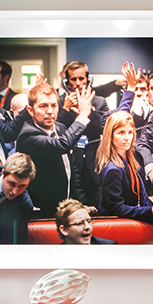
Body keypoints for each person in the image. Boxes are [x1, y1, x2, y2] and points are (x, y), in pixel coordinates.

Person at [16, 80, 94, 215]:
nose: (50, 111)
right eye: (43, 106)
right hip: (42, 211)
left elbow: (71, 170)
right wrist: (82, 116)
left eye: (54, 105)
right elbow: (62, 145)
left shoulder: (60, 127)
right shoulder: (27, 135)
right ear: (30, 110)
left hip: (66, 208)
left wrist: (78, 204)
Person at [96, 112, 153, 223]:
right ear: (110, 135)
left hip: (136, 215)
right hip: (118, 224)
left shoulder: (136, 157)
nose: (126, 138)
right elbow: (117, 208)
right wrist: (148, 211)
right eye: (121, 133)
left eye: (130, 132)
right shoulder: (112, 169)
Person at [58, 61, 110, 207]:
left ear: (88, 79)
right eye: (73, 79)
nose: (78, 83)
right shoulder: (60, 102)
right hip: (71, 165)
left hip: (94, 164)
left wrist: (90, 110)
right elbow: (57, 130)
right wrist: (65, 110)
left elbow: (104, 129)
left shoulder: (99, 102)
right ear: (66, 82)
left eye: (81, 78)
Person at [0, 152, 38, 244]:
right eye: (12, 183)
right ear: (3, 173)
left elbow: (18, 240)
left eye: (22, 186)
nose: (14, 191)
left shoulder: (25, 204)